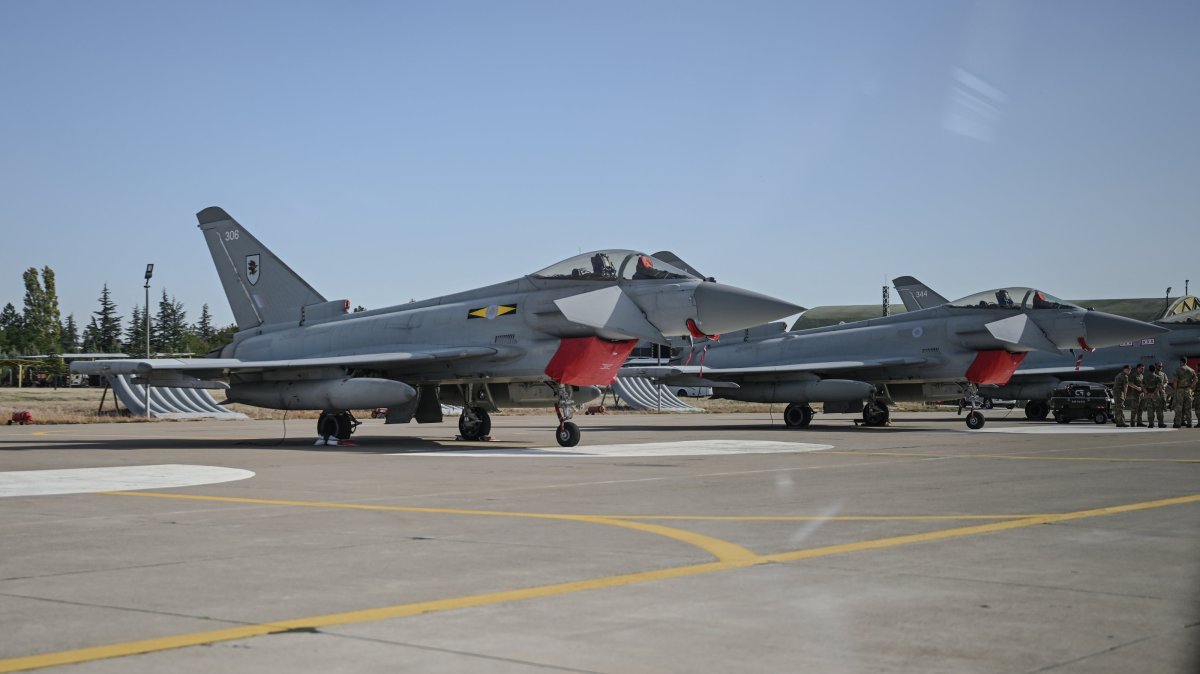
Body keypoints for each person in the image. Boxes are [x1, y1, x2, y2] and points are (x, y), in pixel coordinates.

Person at [1171, 357, 1196, 428]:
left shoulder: (1178, 370)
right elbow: (1195, 380)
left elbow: (1175, 381)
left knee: (1179, 407)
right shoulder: (1191, 370)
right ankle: (1189, 423)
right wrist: (1190, 387)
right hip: (1188, 391)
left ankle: (1178, 423)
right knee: (1188, 407)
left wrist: (1175, 389)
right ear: (1186, 362)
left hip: (1180, 390)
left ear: (1181, 362)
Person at [1145, 363, 1168, 428]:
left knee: (1150, 409)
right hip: (1156, 395)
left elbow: (1143, 386)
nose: (1160, 367)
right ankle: (1160, 423)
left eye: (1161, 366)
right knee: (1159, 409)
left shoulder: (1146, 377)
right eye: (1159, 366)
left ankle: (1151, 424)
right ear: (1155, 367)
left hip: (1149, 395)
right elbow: (1158, 387)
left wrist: (1147, 393)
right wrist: (1153, 393)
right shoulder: (1157, 377)